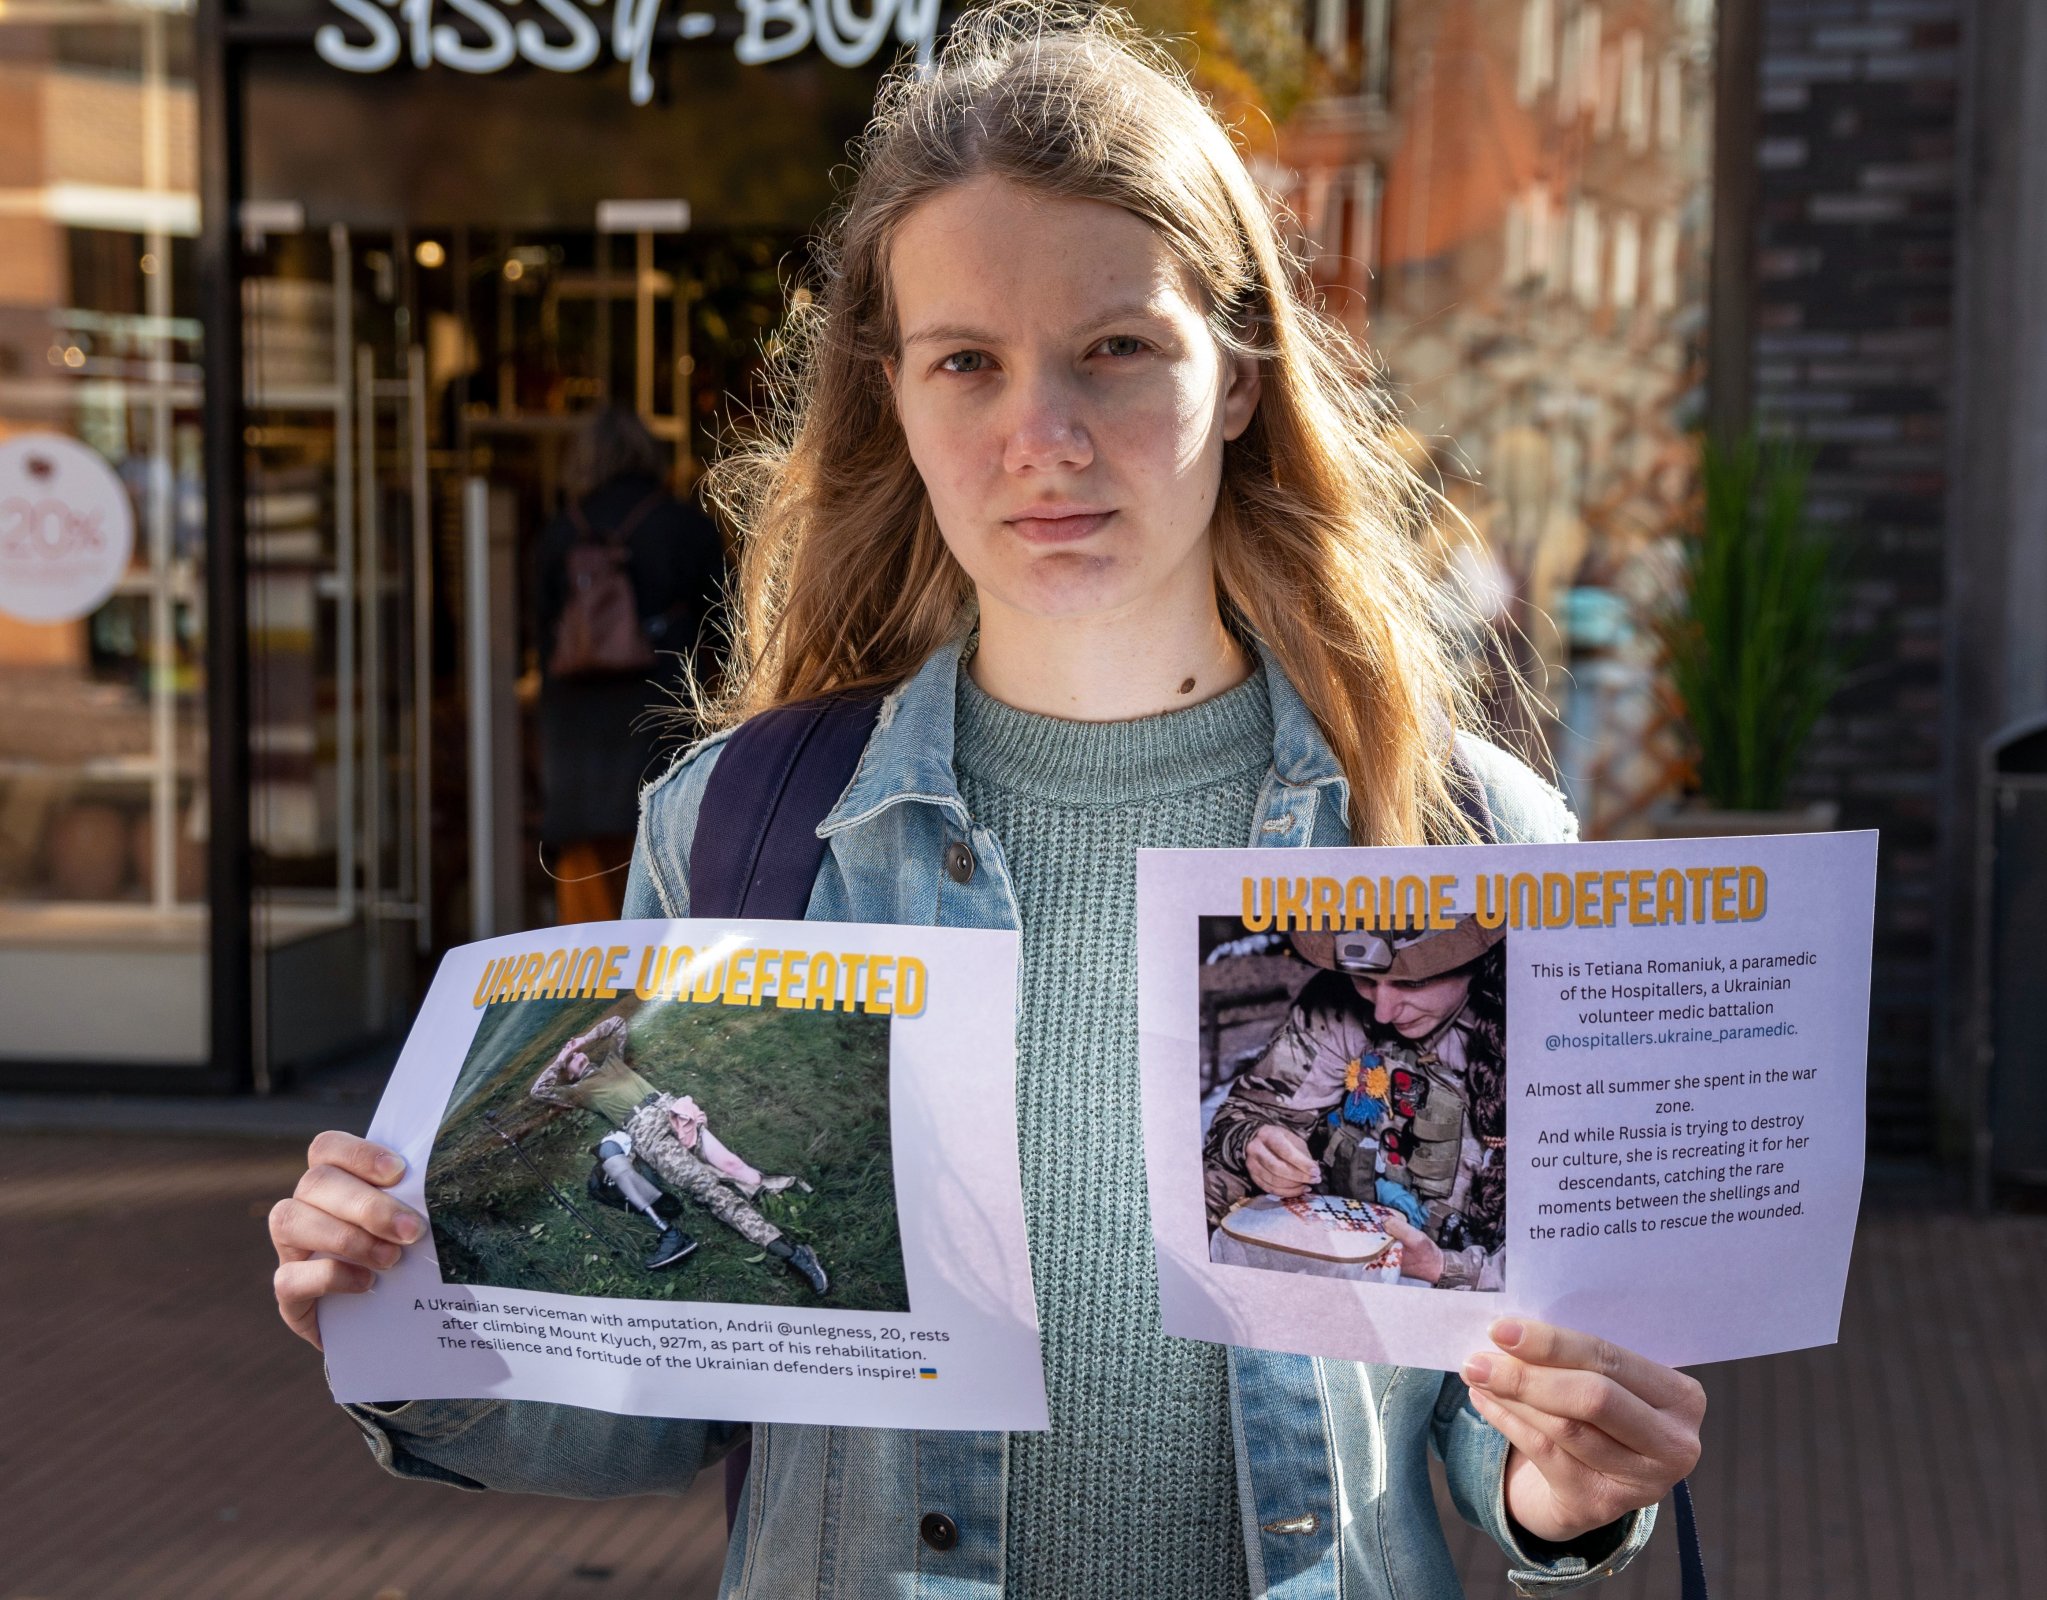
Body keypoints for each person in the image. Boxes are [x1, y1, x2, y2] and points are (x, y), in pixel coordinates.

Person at [266, 7, 1705, 1594]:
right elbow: (656, 1395)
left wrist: (1562, 1479)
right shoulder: (748, 829)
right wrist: (409, 1320)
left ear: (1237, 377)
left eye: (1117, 348)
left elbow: (1486, 1387)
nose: (1044, 439)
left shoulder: (1462, 840)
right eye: (968, 363)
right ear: (897, 399)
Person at [1203, 923, 1508, 1290]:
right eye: (1366, 980)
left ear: (1472, 961)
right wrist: (1252, 1141)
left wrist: (1443, 1267)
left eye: (1412, 982)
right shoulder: (1337, 1004)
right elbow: (1253, 1111)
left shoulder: (1534, 1025)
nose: (1382, 1012)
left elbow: (1548, 1266)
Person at [533, 407, 727, 922]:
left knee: (587, 928)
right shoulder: (686, 527)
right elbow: (728, 636)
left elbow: (540, 642)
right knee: (665, 905)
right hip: (661, 730)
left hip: (574, 747)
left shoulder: (558, 536)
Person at [524, 1015, 820, 1285]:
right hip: (647, 1133)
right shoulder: (578, 1092)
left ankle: (773, 1193)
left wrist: (583, 1040)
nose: (575, 1055)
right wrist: (560, 1059)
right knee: (709, 1191)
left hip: (672, 1109)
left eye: (575, 1053)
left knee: (731, 1164)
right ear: (568, 1075)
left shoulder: (613, 1060)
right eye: (571, 1061)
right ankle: (790, 1252)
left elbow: (616, 1024)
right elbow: (539, 1090)